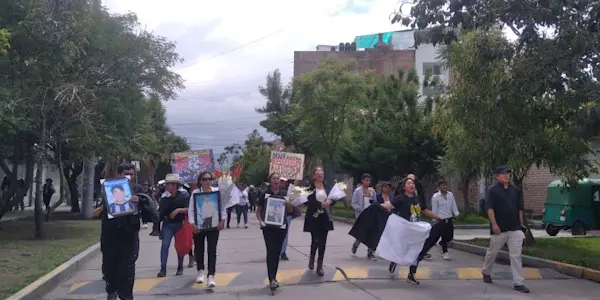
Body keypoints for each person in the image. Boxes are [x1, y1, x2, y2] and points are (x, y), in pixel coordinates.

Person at [93, 163, 146, 300]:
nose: (129, 176)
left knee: (127, 271)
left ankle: (126, 296)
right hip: (110, 236)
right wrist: (103, 207)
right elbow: (96, 212)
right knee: (109, 269)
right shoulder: (108, 188)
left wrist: (139, 201)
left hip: (129, 237)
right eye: (126, 173)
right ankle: (111, 290)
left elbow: (149, 211)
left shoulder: (138, 189)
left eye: (132, 174)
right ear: (119, 174)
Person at [381, 177, 442, 284]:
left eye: (413, 183)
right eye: (409, 183)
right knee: (402, 250)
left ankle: (411, 275)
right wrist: (377, 206)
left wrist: (437, 217)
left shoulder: (417, 199)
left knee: (416, 252)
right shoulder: (400, 198)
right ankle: (394, 260)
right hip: (404, 229)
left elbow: (425, 210)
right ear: (404, 187)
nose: (411, 185)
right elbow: (388, 206)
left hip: (416, 230)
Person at [481, 166, 530, 293]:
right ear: (497, 176)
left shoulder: (515, 190)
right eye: (503, 174)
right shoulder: (492, 190)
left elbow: (519, 209)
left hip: (514, 227)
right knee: (493, 252)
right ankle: (486, 272)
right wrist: (494, 224)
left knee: (516, 256)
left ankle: (518, 282)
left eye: (508, 173)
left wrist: (521, 225)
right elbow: (490, 208)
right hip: (499, 228)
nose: (506, 176)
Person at [189, 171, 225, 287]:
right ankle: (200, 271)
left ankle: (211, 276)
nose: (207, 181)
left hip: (213, 225)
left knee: (212, 250)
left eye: (209, 179)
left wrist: (222, 220)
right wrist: (192, 223)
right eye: (204, 179)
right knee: (199, 249)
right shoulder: (195, 193)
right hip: (200, 225)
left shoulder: (216, 192)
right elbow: (191, 210)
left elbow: (222, 207)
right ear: (200, 181)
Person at [256, 173, 290, 292]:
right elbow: (258, 210)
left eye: (278, 179)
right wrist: (261, 221)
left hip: (281, 228)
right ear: (270, 180)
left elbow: (291, 210)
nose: (276, 180)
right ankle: (272, 279)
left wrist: (290, 206)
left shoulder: (285, 194)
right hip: (268, 228)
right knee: (271, 251)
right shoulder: (264, 194)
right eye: (274, 178)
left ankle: (273, 277)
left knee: (277, 252)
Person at [304, 167, 339, 276]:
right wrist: (319, 205)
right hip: (314, 217)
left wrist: (330, 201)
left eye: (322, 173)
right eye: (317, 173)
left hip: (325, 217)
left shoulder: (327, 187)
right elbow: (306, 201)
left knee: (323, 241)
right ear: (314, 175)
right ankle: (312, 258)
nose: (320, 175)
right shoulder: (310, 188)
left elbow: (334, 197)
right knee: (315, 240)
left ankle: (320, 265)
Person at [157, 174, 190, 277]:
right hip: (168, 224)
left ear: (175, 185)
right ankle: (163, 269)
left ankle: (180, 267)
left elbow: (189, 208)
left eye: (169, 184)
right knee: (165, 246)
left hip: (180, 223)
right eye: (166, 184)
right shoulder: (164, 196)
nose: (166, 186)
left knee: (180, 246)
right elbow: (160, 212)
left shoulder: (184, 195)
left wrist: (178, 210)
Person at [351, 173, 377, 259]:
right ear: (362, 181)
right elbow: (354, 203)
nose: (368, 182)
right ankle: (356, 244)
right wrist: (359, 209)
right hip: (361, 214)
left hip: (371, 214)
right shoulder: (358, 191)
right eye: (366, 180)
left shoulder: (372, 191)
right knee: (361, 232)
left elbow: (375, 202)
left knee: (371, 233)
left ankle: (370, 252)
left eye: (369, 180)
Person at [431, 180, 459, 260]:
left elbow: (453, 204)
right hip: (440, 219)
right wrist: (434, 219)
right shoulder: (435, 197)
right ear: (439, 187)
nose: (445, 187)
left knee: (450, 236)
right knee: (443, 236)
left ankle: (440, 244)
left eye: (446, 185)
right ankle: (445, 252)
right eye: (443, 185)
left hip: (449, 218)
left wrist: (456, 214)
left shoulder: (450, 195)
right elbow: (434, 209)